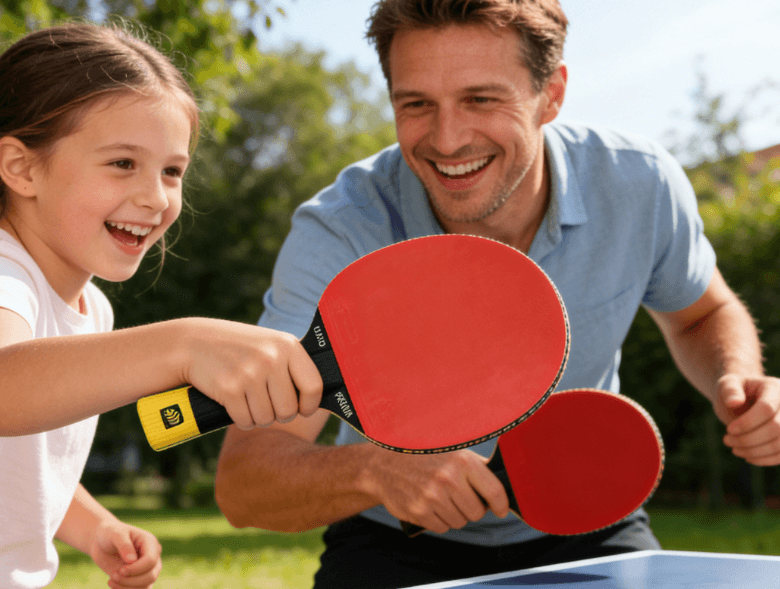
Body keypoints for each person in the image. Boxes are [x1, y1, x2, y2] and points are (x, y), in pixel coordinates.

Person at [214, 1, 780, 587]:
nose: (448, 138)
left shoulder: (640, 184)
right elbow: (246, 483)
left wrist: (736, 380)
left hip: (589, 526)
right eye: (416, 105)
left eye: (481, 99)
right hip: (391, 542)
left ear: (552, 94)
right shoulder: (341, 231)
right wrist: (376, 471)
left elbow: (701, 312)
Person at [0, 22, 323, 589]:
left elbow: (25, 459)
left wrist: (93, 526)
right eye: (123, 163)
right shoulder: (7, 276)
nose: (156, 197)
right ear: (22, 168)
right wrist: (184, 344)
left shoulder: (92, 308)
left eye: (172, 171)